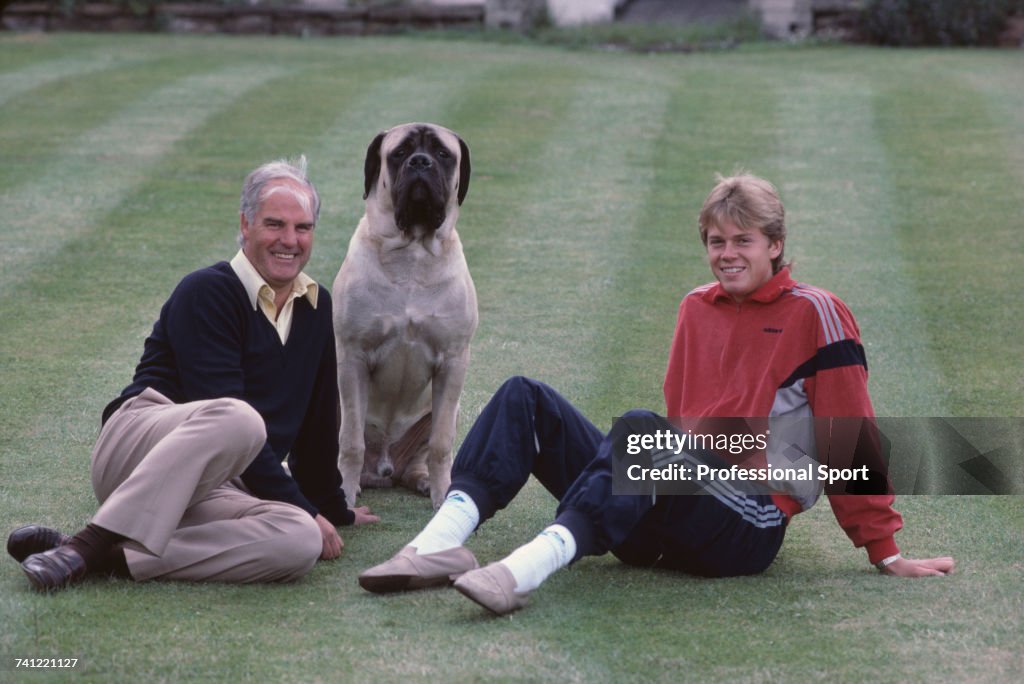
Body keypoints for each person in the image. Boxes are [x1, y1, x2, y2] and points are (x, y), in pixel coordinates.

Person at [356, 173, 954, 615]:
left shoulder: (818, 314)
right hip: (670, 508)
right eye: (716, 242)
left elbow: (849, 440)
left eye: (743, 241)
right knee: (524, 398)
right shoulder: (696, 308)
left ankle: (521, 572)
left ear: (775, 244)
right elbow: (681, 420)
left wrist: (884, 549)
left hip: (749, 524)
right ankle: (436, 545)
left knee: (642, 428)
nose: (727, 255)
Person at [7, 157, 378, 592]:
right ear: (245, 224)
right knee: (240, 419)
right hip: (140, 446)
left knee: (297, 540)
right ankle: (85, 546)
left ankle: (110, 556)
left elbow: (317, 427)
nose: (290, 241)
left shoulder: (318, 308)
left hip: (223, 483)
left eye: (303, 228)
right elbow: (226, 416)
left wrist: (329, 509)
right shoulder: (207, 291)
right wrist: (304, 504)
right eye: (275, 224)